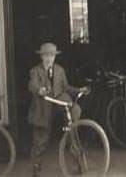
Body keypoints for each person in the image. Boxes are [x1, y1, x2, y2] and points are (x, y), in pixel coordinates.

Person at [28, 42, 86, 177]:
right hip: (43, 107)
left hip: (58, 104)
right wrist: (39, 90)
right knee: (41, 140)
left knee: (74, 118)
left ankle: (77, 161)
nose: (49, 59)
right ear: (41, 57)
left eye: (52, 56)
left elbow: (66, 88)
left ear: (55, 57)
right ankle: (36, 167)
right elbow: (32, 85)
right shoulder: (35, 71)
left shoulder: (59, 70)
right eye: (46, 55)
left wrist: (79, 90)